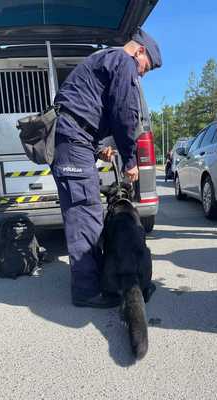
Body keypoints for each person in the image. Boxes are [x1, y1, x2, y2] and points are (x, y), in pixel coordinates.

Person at [51, 28, 162, 308]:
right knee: (85, 216)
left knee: (86, 213)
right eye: (145, 67)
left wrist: (99, 145)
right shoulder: (123, 63)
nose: (142, 74)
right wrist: (130, 160)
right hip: (74, 142)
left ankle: (97, 278)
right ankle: (87, 292)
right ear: (138, 51)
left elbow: (89, 108)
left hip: (76, 140)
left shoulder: (105, 59)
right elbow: (125, 114)